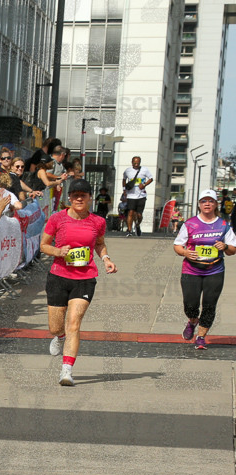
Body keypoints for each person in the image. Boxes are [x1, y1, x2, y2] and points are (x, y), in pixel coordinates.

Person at [40, 179, 117, 386]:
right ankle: (59, 336)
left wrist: (106, 259)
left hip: (84, 278)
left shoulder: (98, 221)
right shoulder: (57, 218)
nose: (79, 199)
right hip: (58, 276)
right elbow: (43, 245)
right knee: (56, 327)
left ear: (90, 198)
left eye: (83, 195)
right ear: (70, 198)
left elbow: (99, 244)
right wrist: (58, 251)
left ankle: (66, 371)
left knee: (74, 323)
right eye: (75, 195)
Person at [172, 189, 236, 350]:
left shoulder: (223, 225)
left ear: (216, 204)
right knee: (190, 304)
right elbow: (177, 245)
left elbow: (232, 250)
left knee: (209, 305)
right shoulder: (190, 224)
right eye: (204, 201)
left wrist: (225, 246)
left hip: (215, 270)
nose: (207, 204)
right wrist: (185, 252)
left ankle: (201, 337)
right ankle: (193, 321)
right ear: (199, 204)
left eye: (211, 201)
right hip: (191, 270)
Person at [121, 155, 153, 237]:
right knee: (130, 212)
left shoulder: (144, 170)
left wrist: (144, 184)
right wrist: (124, 190)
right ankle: (129, 230)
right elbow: (124, 179)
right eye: (134, 163)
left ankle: (137, 225)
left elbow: (151, 178)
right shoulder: (127, 171)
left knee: (139, 215)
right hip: (131, 195)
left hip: (141, 195)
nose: (136, 164)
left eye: (137, 163)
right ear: (132, 162)